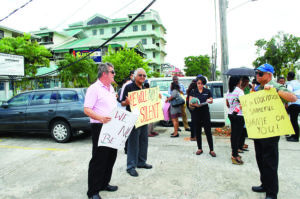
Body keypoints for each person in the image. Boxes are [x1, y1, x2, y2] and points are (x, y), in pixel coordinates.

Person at [251, 64, 296, 199]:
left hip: (271, 130)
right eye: (257, 73)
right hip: (259, 129)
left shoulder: (275, 86)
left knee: (270, 162)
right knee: (260, 159)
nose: (257, 76)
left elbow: (293, 98)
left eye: (260, 73)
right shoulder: (258, 88)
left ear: (269, 75)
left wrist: (276, 92)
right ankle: (264, 184)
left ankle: (271, 193)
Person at [84, 63, 119, 199]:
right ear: (104, 73)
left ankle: (104, 183)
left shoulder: (110, 88)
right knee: (99, 159)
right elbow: (87, 109)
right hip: (100, 126)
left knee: (111, 157)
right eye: (112, 72)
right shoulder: (94, 89)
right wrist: (100, 118)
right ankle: (93, 191)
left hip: (112, 126)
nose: (114, 74)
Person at [121, 68, 152, 177]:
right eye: (140, 75)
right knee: (133, 143)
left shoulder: (144, 88)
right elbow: (122, 103)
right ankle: (131, 166)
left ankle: (141, 162)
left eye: (144, 75)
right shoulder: (129, 87)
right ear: (134, 76)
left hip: (143, 117)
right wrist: (126, 102)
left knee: (144, 141)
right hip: (133, 119)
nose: (142, 77)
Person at [189, 76, 216, 157]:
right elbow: (190, 102)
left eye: (202, 83)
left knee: (208, 130)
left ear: (204, 84)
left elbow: (211, 100)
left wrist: (209, 100)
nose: (200, 85)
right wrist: (196, 104)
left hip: (205, 112)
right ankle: (199, 148)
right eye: (198, 83)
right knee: (198, 130)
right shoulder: (193, 91)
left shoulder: (207, 91)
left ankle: (211, 150)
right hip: (196, 112)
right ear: (196, 83)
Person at [226, 75, 245, 165]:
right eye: (240, 80)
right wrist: (237, 109)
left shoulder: (229, 91)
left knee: (234, 135)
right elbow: (243, 103)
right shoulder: (239, 91)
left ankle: (234, 152)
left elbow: (227, 104)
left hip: (231, 114)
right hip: (239, 115)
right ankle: (235, 155)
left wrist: (233, 108)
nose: (241, 82)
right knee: (236, 136)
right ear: (238, 82)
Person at [286, 71, 300, 142]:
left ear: (288, 76)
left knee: (293, 120)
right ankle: (293, 135)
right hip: (299, 103)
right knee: (295, 120)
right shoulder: (298, 82)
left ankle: (295, 137)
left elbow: (289, 93)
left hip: (294, 104)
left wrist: (286, 103)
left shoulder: (290, 84)